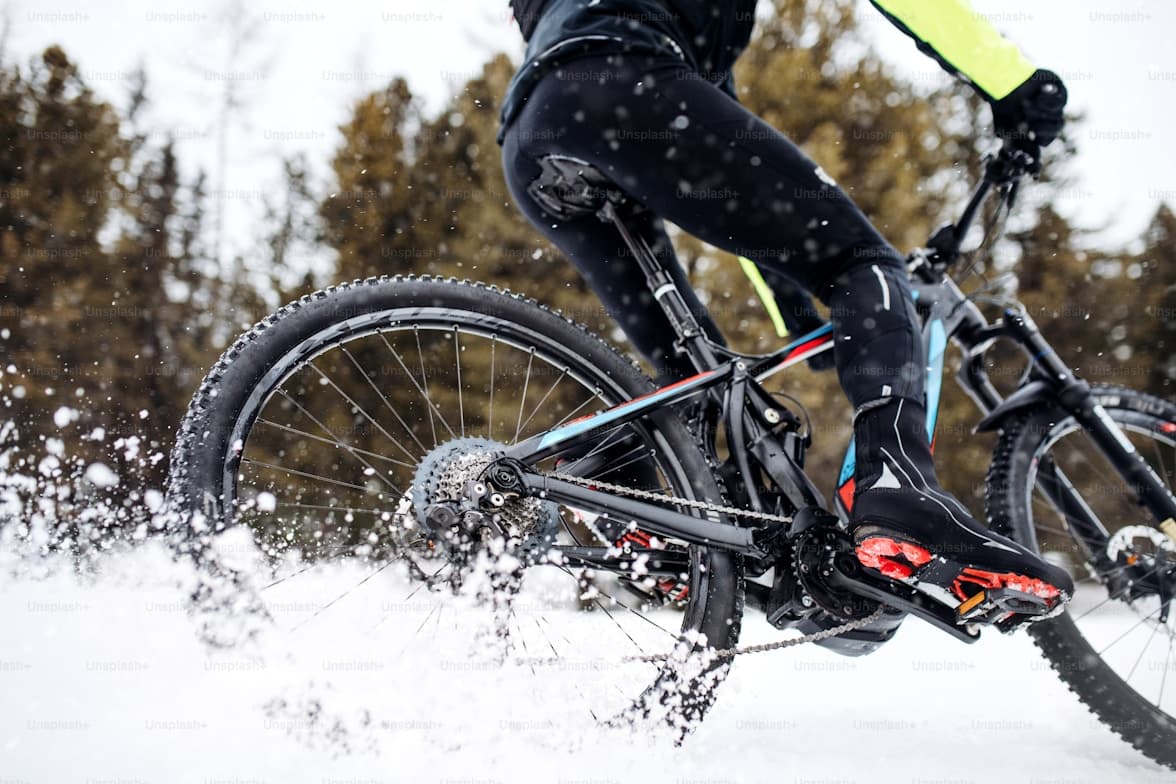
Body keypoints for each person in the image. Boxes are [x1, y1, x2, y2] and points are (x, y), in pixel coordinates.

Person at [498, 0, 1073, 615]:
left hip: (534, 129)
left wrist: (794, 308)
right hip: (626, 79)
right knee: (862, 263)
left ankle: (628, 504)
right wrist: (1011, 82)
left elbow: (734, 170)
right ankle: (896, 485)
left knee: (692, 378)